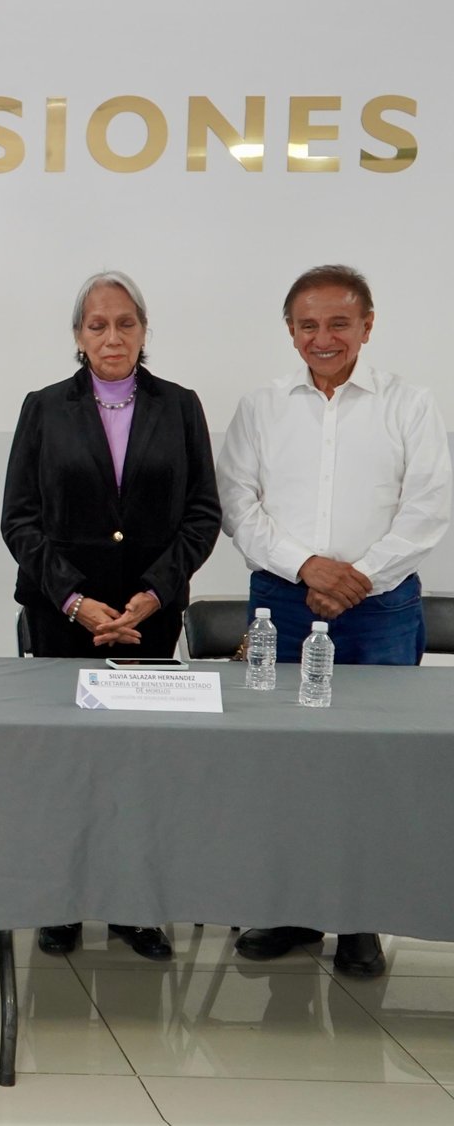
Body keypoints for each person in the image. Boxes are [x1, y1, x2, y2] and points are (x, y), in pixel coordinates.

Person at [217, 263, 451, 978]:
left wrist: (358, 578)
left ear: (367, 326)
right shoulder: (261, 407)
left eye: (339, 323)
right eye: (308, 325)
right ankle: (291, 908)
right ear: (291, 331)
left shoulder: (410, 405)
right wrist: (307, 568)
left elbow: (428, 506)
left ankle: (359, 920)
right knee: (285, 762)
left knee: (369, 766)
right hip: (283, 605)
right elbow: (237, 503)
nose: (324, 338)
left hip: (380, 610)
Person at [1, 270, 220, 962]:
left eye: (126, 323)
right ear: (78, 335)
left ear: (144, 330)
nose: (113, 336)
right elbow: (20, 520)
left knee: (138, 767)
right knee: (66, 766)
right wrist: (75, 600)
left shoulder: (180, 407)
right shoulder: (44, 408)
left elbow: (202, 515)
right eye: (97, 325)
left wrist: (153, 594)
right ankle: (61, 904)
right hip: (61, 617)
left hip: (149, 618)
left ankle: (133, 907)